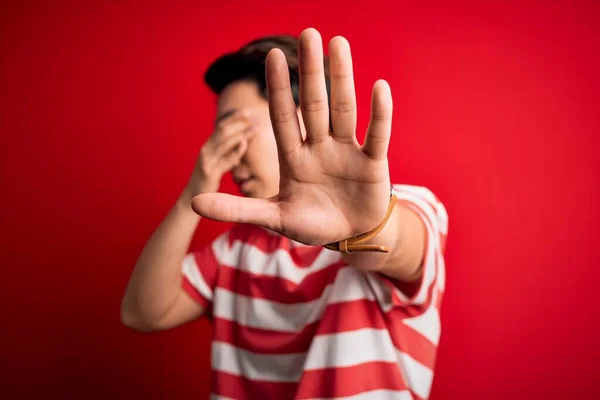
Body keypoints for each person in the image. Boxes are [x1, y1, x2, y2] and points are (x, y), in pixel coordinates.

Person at [121, 27, 448, 400]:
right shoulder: (235, 252)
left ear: (298, 118)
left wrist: (365, 226)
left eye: (235, 129)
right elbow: (143, 312)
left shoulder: (399, 208)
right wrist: (194, 191)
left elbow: (400, 244)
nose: (224, 153)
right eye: (218, 135)